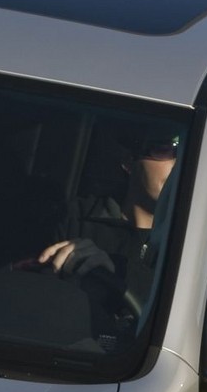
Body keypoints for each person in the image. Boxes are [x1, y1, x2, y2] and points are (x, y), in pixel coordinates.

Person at [35, 130, 182, 313]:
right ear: (129, 162)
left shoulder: (191, 243)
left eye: (186, 154)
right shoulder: (73, 220)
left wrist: (118, 272)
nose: (179, 164)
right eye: (165, 150)